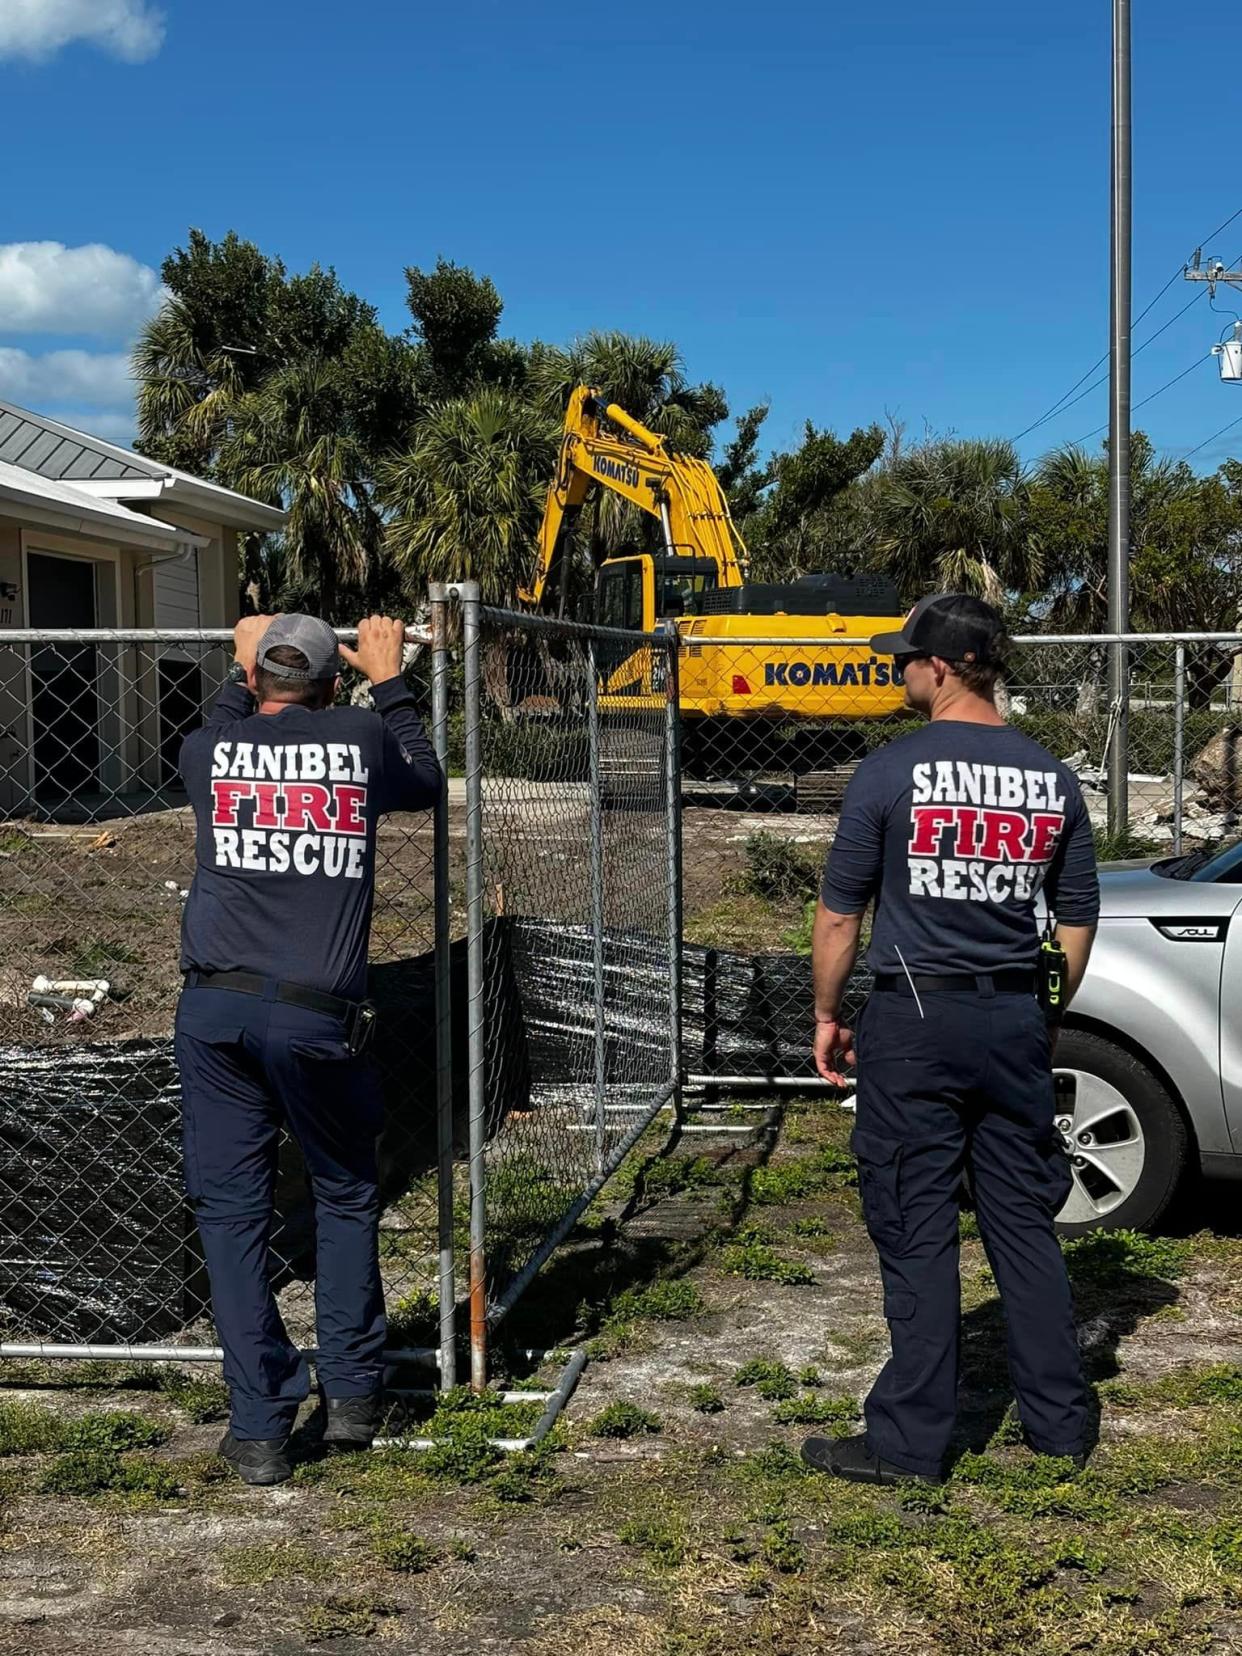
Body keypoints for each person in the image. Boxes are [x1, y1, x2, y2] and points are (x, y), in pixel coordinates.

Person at [802, 593, 1099, 1486]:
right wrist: (1039, 1010)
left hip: (915, 1018)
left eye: (905, 659)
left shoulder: (891, 773)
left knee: (916, 1221)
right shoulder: (1050, 776)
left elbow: (840, 916)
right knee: (1022, 1222)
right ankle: (1060, 1425)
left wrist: (827, 1011)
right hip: (1013, 1016)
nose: (898, 672)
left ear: (939, 668)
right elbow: (1077, 920)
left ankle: (909, 1444)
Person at [175, 612, 442, 1486]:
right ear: (333, 684)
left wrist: (238, 658)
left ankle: (258, 1423)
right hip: (316, 1013)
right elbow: (427, 782)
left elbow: (224, 720)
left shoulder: (209, 753)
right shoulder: (360, 735)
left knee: (230, 1212)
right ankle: (355, 1390)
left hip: (213, 1009)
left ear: (254, 680)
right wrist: (393, 677)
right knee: (343, 1189)